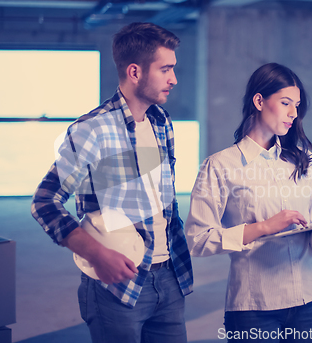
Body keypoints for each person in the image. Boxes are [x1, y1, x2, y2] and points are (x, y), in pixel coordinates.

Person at [31, 22, 193, 343]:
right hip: (117, 284)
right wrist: (96, 254)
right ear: (135, 72)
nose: (174, 79)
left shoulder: (162, 122)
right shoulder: (93, 129)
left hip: (169, 276)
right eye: (165, 69)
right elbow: (44, 203)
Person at [185, 63, 312, 342]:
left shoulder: (304, 160)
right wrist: (263, 227)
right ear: (259, 101)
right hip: (254, 307)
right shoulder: (219, 166)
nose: (293, 113)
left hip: (307, 302)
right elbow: (197, 240)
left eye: (297, 105)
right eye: (285, 102)